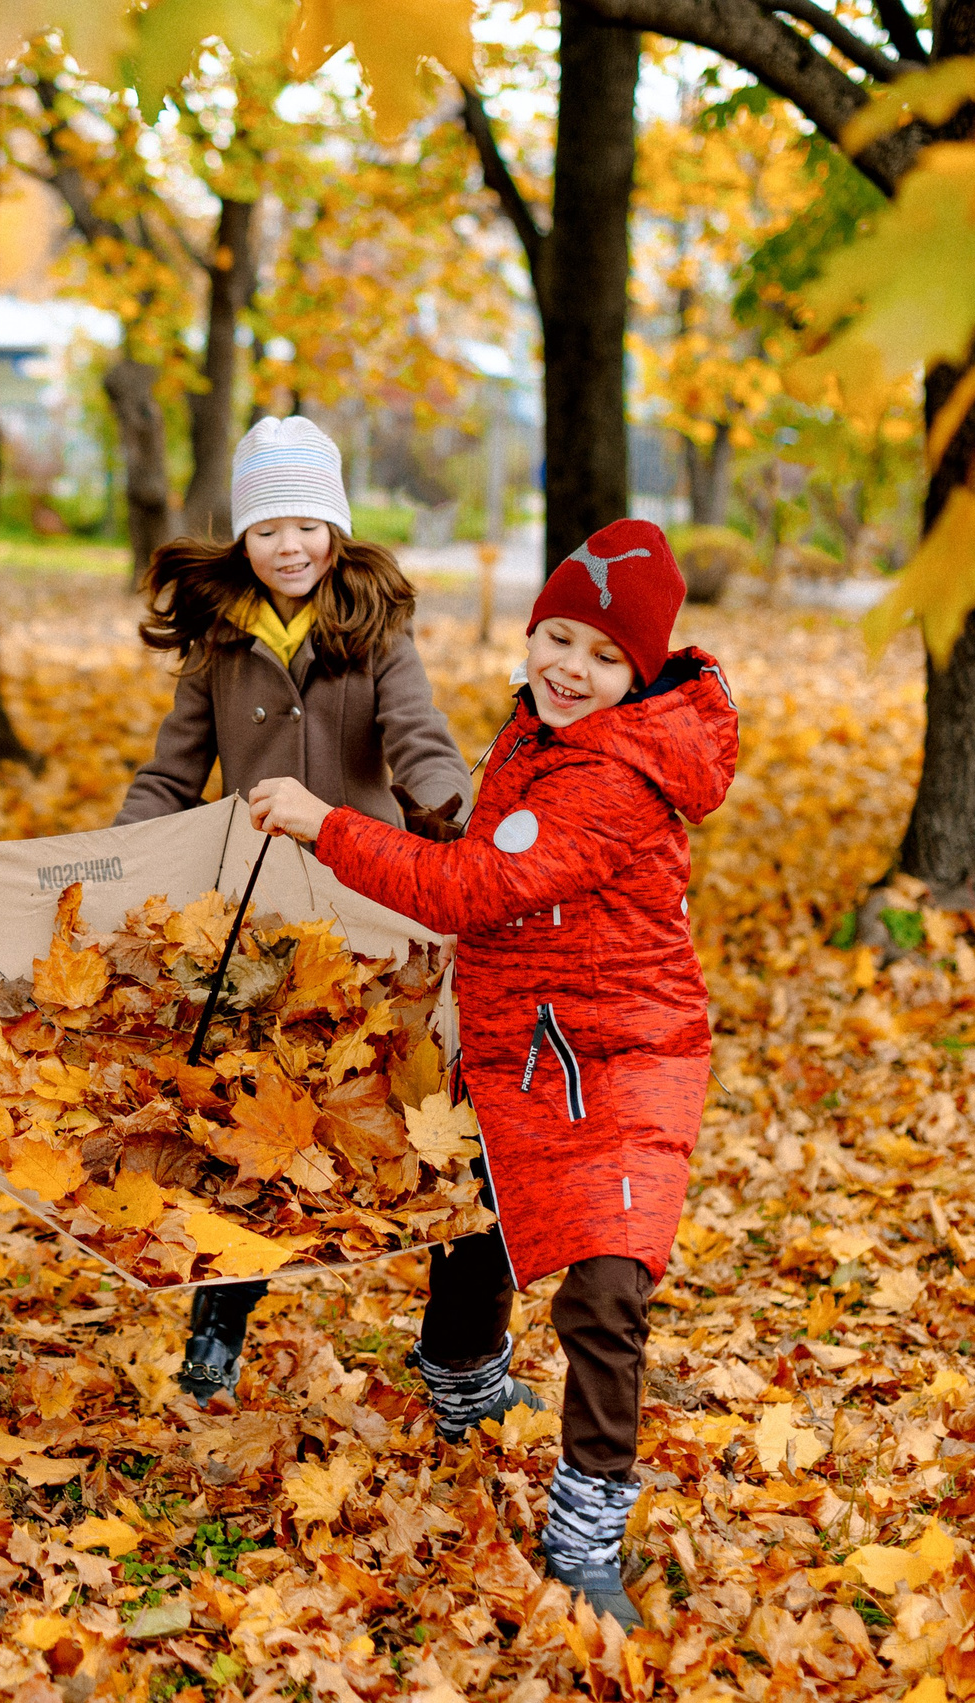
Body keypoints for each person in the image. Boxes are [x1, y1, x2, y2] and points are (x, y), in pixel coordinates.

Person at [245, 518, 738, 1631]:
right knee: (486, 1196)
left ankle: (584, 1531)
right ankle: (462, 1375)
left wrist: (329, 824)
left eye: (601, 654)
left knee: (606, 1285)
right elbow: (497, 840)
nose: (569, 666)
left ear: (642, 670)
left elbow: (475, 888)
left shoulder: (614, 775)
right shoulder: (540, 728)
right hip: (533, 1028)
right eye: (555, 636)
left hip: (623, 1050)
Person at [112, 414, 471, 1404]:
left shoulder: (375, 632)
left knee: (415, 1119)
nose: (291, 545)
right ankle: (215, 1330)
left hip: (366, 909)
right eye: (269, 528)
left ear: (337, 527)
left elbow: (421, 741)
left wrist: (458, 809)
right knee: (249, 1128)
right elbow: (170, 771)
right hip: (254, 925)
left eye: (308, 523)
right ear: (244, 539)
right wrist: (120, 852)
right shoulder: (221, 643)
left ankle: (461, 1351)